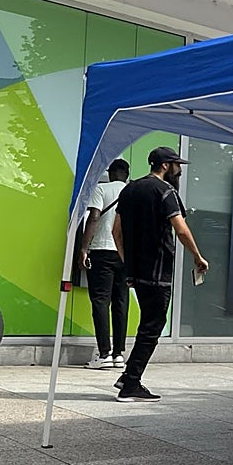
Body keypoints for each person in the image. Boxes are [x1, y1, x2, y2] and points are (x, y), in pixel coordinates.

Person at [112, 147, 208, 402]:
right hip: (157, 270)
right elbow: (182, 230)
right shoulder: (166, 191)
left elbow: (116, 232)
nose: (179, 169)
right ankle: (131, 383)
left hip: (136, 271)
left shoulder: (129, 189)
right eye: (177, 165)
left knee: (148, 323)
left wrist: (127, 262)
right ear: (165, 165)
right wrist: (198, 257)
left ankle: (128, 375)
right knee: (153, 325)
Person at [79, 159, 130, 370]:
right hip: (125, 255)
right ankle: (118, 354)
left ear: (111, 173)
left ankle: (104, 353)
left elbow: (94, 218)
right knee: (121, 302)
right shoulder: (133, 191)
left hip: (102, 250)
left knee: (100, 301)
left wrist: (83, 248)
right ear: (126, 175)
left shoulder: (101, 189)